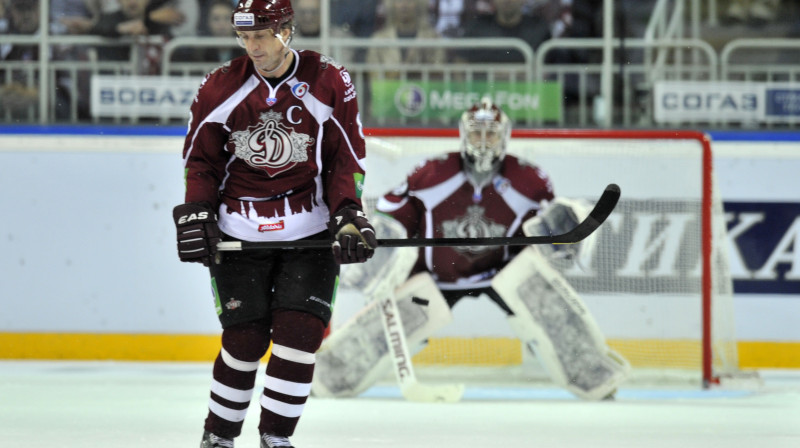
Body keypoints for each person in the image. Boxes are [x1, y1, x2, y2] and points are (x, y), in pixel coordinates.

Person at [311, 97, 630, 401]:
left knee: (547, 306)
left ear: (504, 137)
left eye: (491, 133)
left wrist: (560, 230)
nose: (483, 140)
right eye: (476, 132)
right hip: (435, 276)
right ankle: (328, 376)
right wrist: (379, 253)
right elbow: (391, 215)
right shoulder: (433, 173)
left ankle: (593, 373)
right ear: (463, 134)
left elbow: (546, 239)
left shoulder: (531, 181)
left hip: (501, 273)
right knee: (383, 328)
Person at [171, 1, 376, 447]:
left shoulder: (328, 80)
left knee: (299, 337)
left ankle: (275, 439)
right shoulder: (219, 87)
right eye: (245, 37)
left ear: (287, 30)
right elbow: (200, 161)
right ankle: (219, 438)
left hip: (310, 234)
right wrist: (198, 211)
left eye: (262, 35)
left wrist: (347, 214)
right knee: (243, 341)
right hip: (238, 233)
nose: (253, 46)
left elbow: (347, 158)